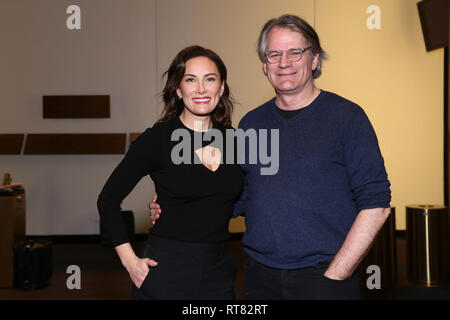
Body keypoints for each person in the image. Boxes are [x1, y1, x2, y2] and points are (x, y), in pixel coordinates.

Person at [150, 14, 391, 300]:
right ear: (265, 66)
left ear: (314, 60)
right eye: (274, 54)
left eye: (295, 52)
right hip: (258, 276)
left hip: (324, 278)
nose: (284, 63)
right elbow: (238, 194)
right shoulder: (252, 123)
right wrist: (176, 204)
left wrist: (337, 275)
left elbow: (376, 205)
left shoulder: (348, 118)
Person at [97, 45, 243, 300]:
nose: (200, 89)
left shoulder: (234, 141)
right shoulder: (158, 139)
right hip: (165, 269)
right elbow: (107, 200)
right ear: (178, 89)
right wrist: (130, 262)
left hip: (217, 269)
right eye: (190, 80)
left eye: (210, 79)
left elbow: (241, 200)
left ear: (221, 88)